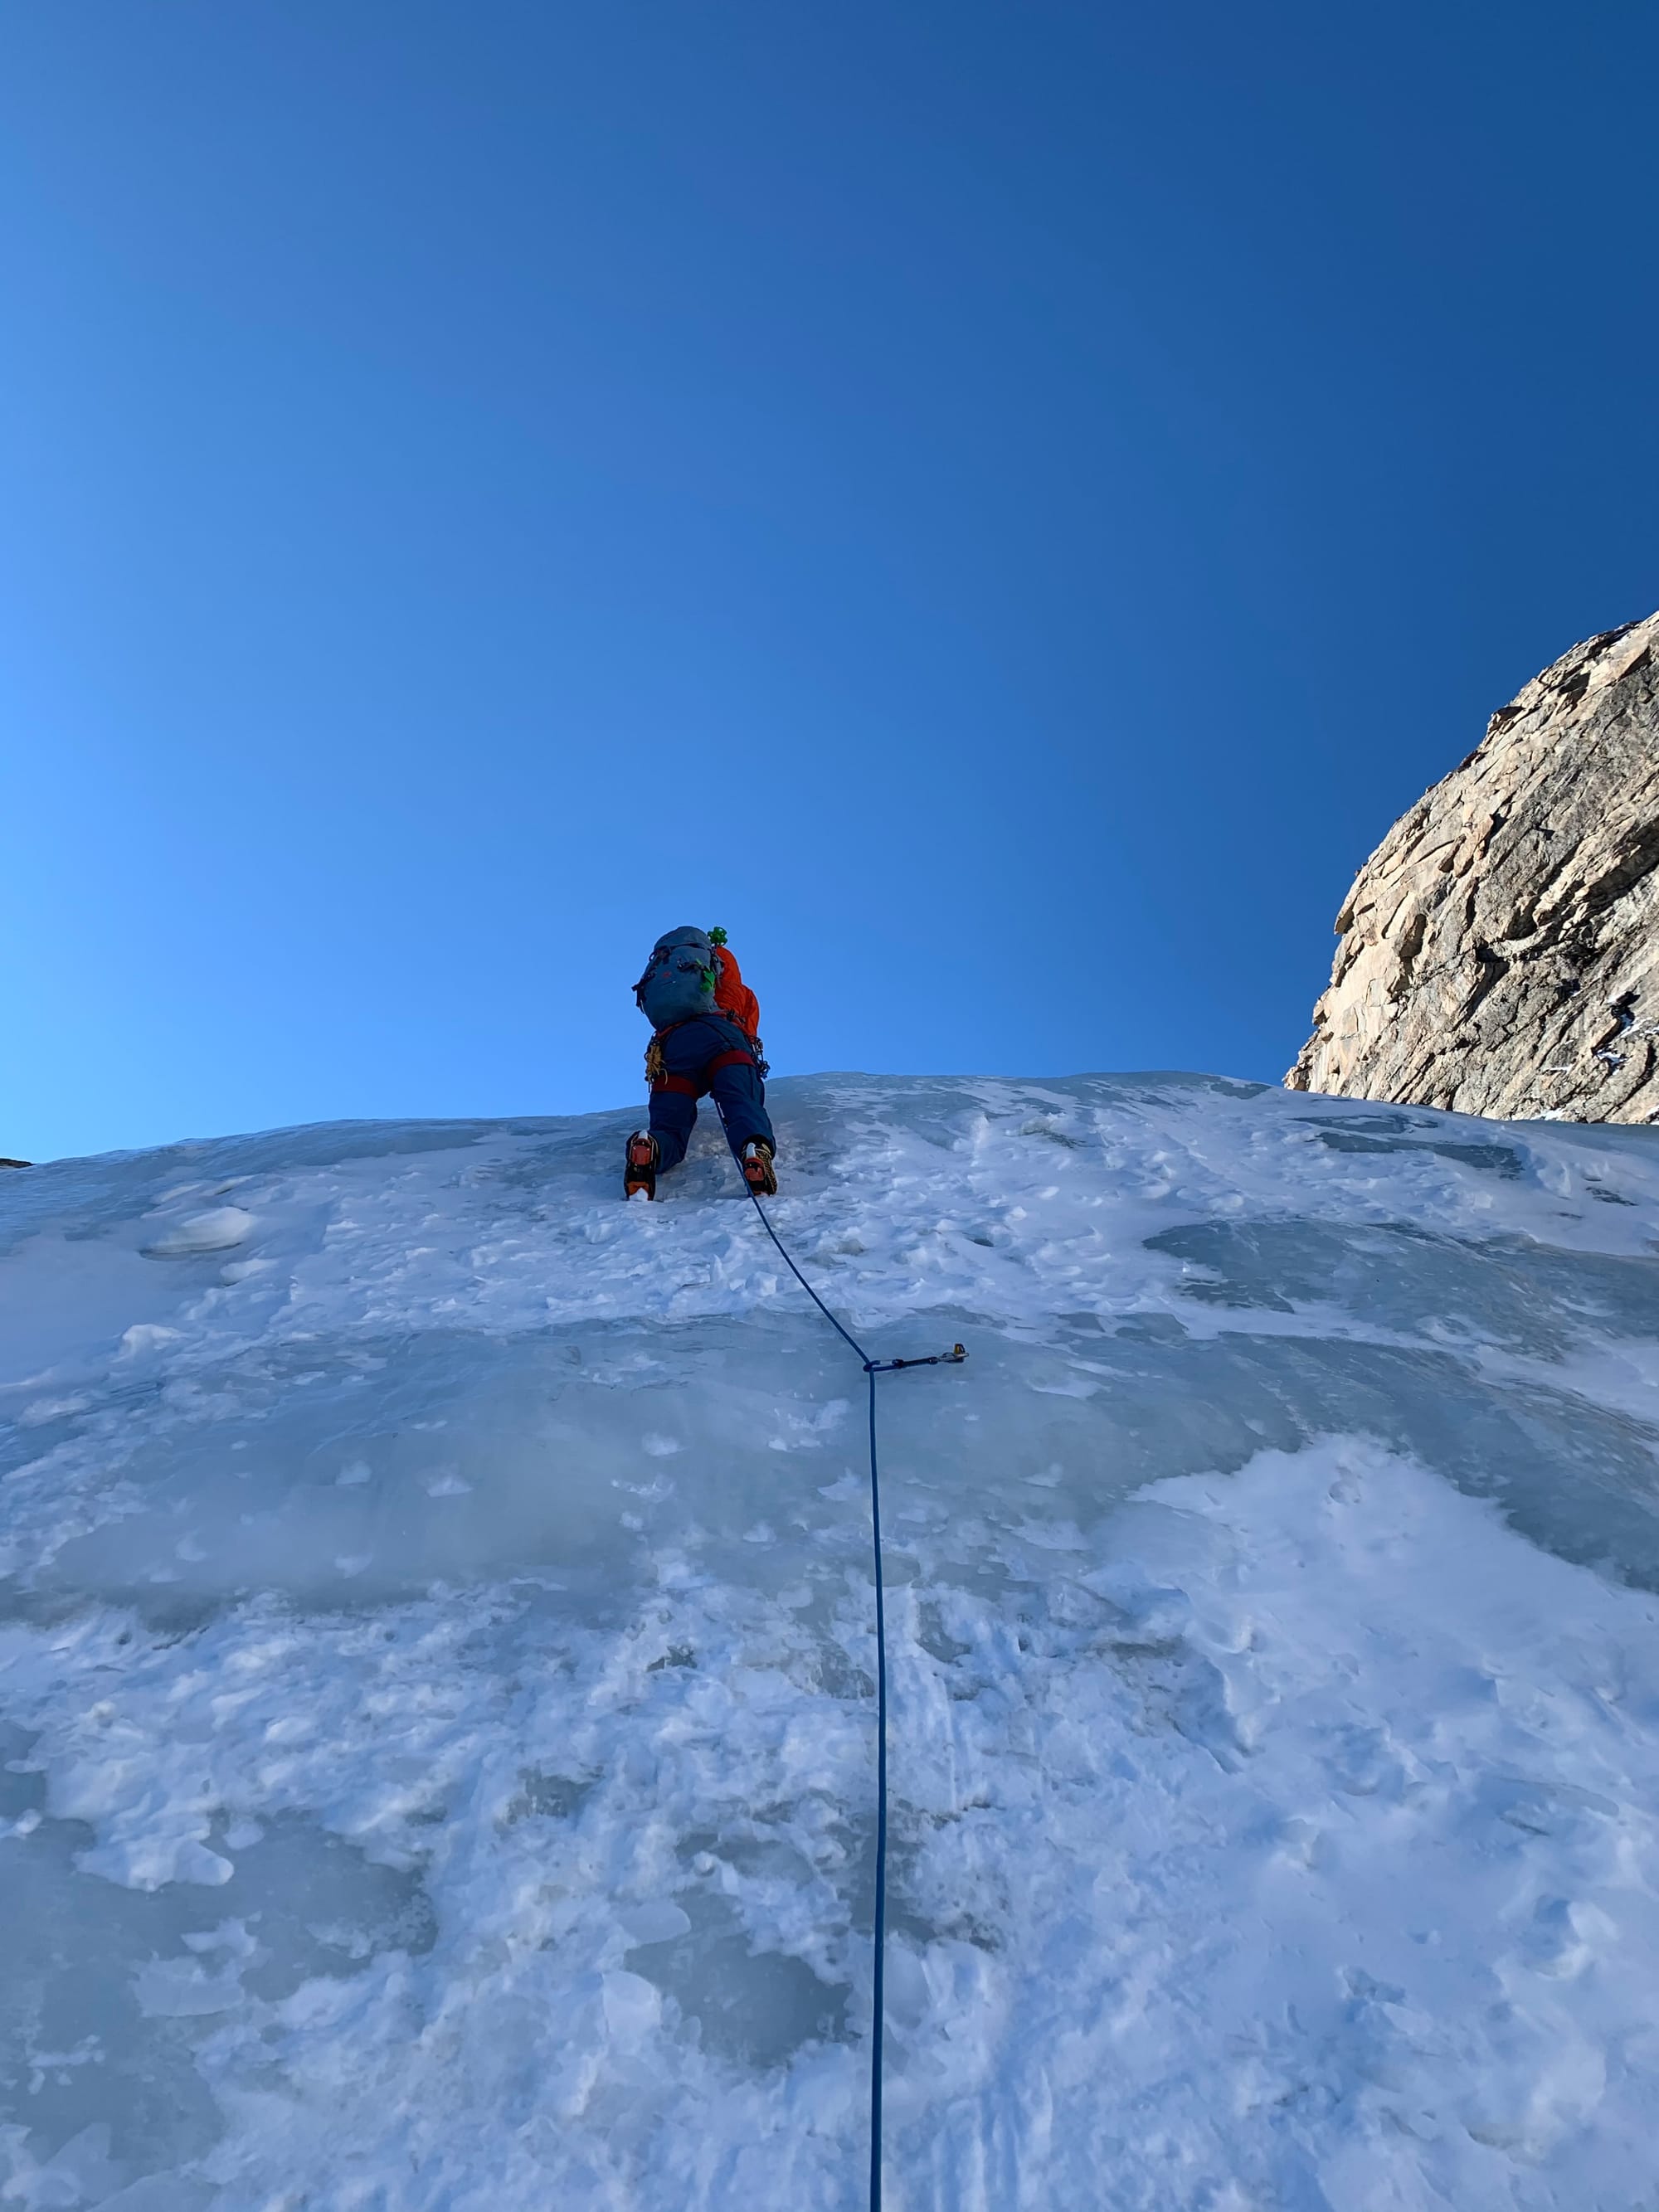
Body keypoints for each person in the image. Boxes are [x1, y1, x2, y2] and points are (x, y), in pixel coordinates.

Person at [625, 926, 777, 1199]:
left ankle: (651, 1145)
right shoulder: (740, 992)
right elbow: (749, 1031)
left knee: (670, 1124)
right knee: (741, 1100)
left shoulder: (672, 980)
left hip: (673, 1047)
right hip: (724, 1040)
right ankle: (754, 1148)